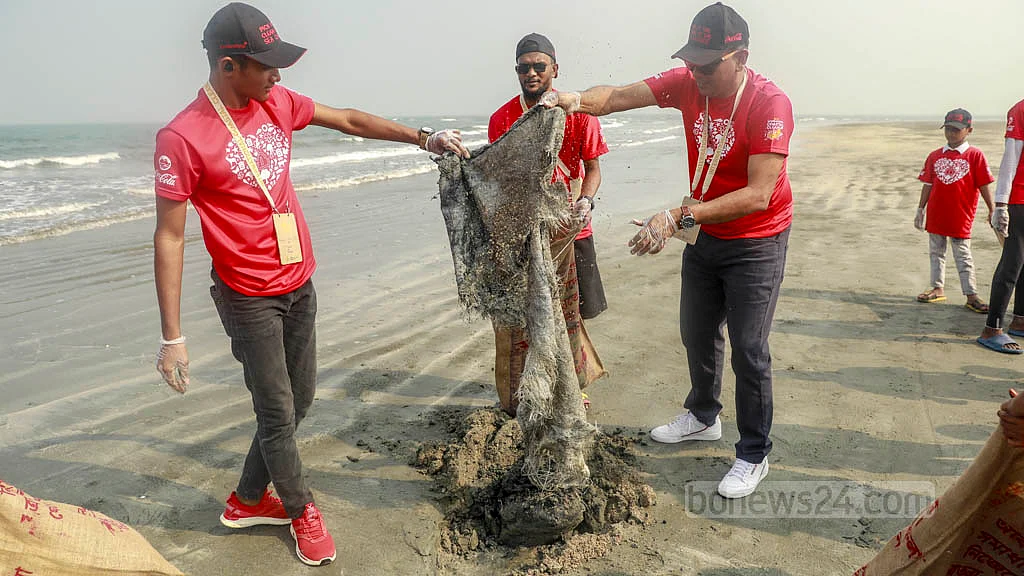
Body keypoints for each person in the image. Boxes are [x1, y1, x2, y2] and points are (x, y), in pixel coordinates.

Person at [152, 3, 468, 567]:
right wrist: (172, 336)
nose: (279, 75)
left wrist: (423, 138)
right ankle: (301, 510)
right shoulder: (181, 137)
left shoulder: (275, 102)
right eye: (266, 64)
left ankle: (248, 498)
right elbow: (170, 236)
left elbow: (346, 119)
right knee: (277, 413)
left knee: (299, 401)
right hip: (247, 295)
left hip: (299, 280)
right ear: (229, 66)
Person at [543, 1, 792, 499]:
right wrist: (572, 99)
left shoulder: (769, 103)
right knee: (696, 331)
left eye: (706, 63)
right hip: (704, 231)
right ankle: (703, 416)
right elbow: (613, 97)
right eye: (690, 60)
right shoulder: (686, 84)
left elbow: (759, 192)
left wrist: (676, 218)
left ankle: (753, 453)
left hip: (757, 240)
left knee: (749, 347)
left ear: (739, 57)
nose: (694, 71)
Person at [487, 33, 608, 415]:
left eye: (540, 66)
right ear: (516, 72)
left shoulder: (580, 114)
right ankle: (529, 384)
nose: (532, 73)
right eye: (524, 68)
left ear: (555, 69)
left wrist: (586, 201)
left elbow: (592, 168)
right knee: (530, 313)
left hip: (571, 228)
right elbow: (498, 179)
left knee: (570, 313)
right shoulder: (503, 118)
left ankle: (573, 384)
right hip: (525, 233)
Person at [913, 108, 994, 314]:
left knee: (963, 254)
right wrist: (921, 208)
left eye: (956, 130)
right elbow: (928, 184)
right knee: (936, 252)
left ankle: (971, 294)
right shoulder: (934, 156)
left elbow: (984, 184)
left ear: (969, 130)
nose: (951, 133)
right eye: (948, 129)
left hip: (960, 215)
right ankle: (937, 287)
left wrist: (993, 209)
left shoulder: (975, 155)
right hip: (937, 213)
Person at [977, 98, 1024, 354]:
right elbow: (1010, 159)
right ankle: (992, 328)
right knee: (1012, 265)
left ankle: (1020, 320)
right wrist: (1001, 205)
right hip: (1019, 199)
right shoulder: (1020, 110)